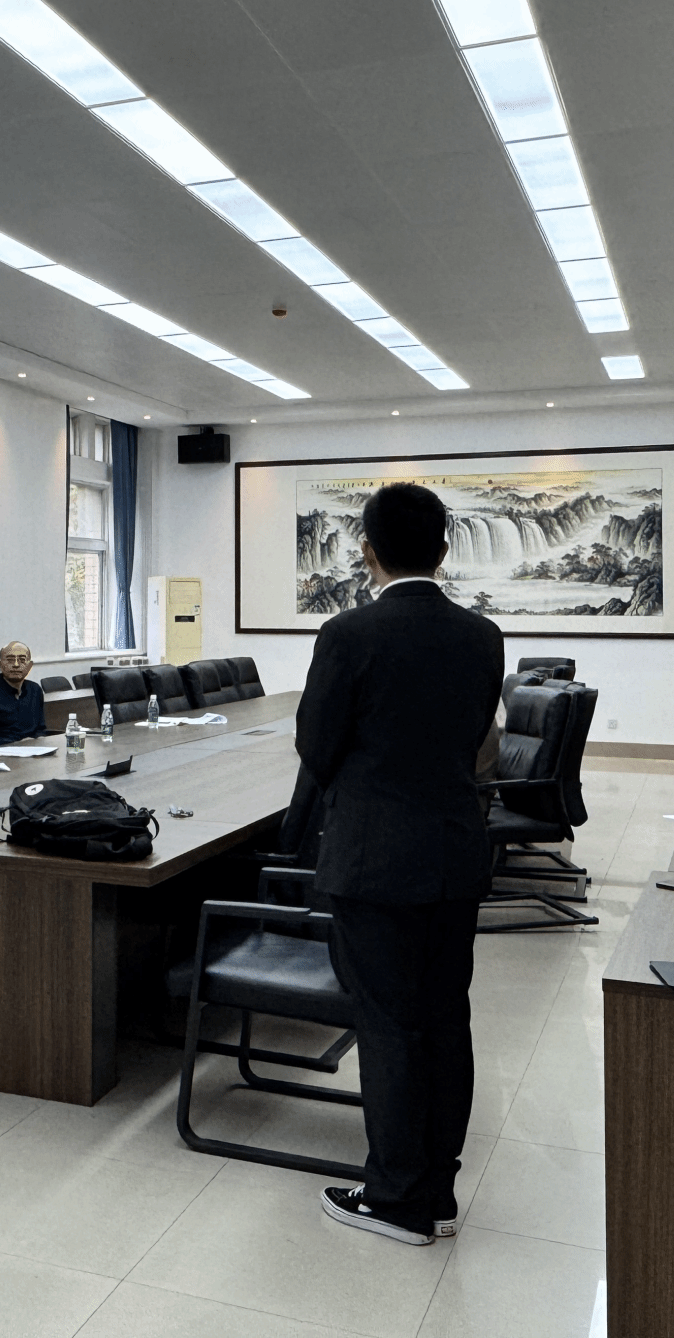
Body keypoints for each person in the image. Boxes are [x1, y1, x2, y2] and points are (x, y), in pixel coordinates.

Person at [295, 483, 504, 1246]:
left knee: (388, 1026)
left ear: (367, 551)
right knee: (446, 1019)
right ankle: (437, 1192)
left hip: (373, 858)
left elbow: (316, 747)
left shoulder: (348, 632)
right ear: (444, 550)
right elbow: (474, 738)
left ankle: (394, 1199)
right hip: (454, 850)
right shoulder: (482, 635)